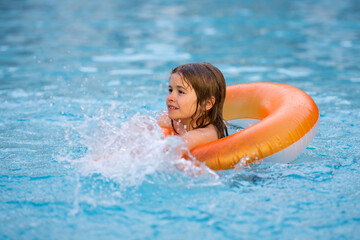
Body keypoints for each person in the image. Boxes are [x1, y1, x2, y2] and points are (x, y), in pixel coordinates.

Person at [157, 62, 228, 151]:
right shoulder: (180, 123)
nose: (170, 97)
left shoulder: (205, 134)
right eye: (171, 90)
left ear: (207, 104)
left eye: (181, 92)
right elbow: (150, 124)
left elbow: (173, 152)